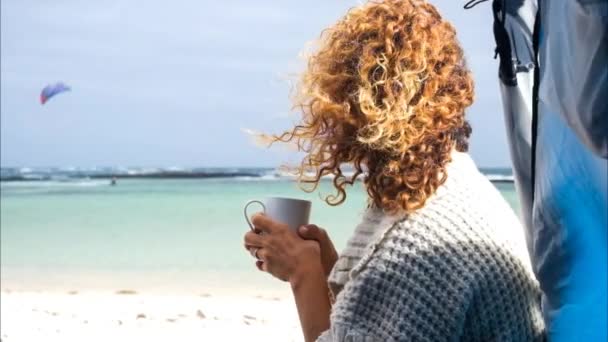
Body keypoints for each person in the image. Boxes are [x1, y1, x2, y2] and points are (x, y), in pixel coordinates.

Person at [243, 1, 545, 341]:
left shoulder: (419, 245)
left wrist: (303, 273)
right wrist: (328, 266)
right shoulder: (451, 184)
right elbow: (380, 323)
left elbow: (400, 292)